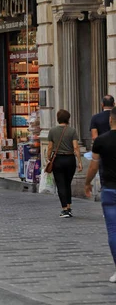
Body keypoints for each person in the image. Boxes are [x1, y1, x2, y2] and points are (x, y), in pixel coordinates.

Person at [85, 107, 116, 283]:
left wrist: (88, 182)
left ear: (110, 120)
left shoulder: (101, 141)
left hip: (110, 190)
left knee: (113, 231)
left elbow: (94, 166)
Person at [47, 109, 83, 218]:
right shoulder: (72, 131)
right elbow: (76, 147)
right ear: (68, 118)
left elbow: (50, 147)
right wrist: (79, 161)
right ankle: (69, 206)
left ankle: (65, 209)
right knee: (67, 183)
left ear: (58, 119)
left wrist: (48, 158)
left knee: (60, 184)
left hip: (58, 160)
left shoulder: (52, 131)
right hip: (70, 159)